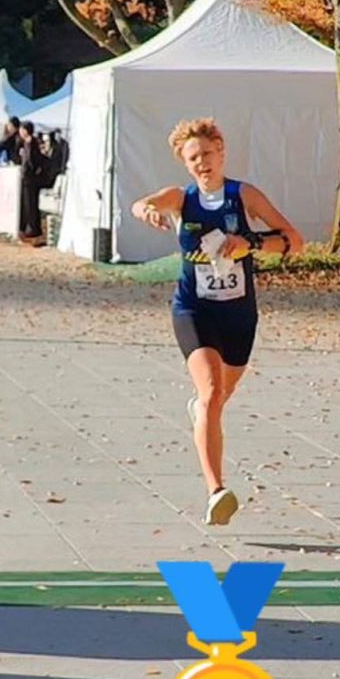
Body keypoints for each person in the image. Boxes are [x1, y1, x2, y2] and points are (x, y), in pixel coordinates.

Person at [131, 117, 303, 527]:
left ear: (221, 152)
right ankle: (216, 491)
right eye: (193, 158)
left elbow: (293, 241)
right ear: (185, 163)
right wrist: (147, 210)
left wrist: (251, 243)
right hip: (194, 308)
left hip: (239, 313)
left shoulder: (243, 195)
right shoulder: (181, 198)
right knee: (210, 391)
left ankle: (201, 413)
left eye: (207, 154)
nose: (202, 163)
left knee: (219, 396)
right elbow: (144, 202)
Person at [17, 120, 44, 244]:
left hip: (30, 179)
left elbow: (32, 161)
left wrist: (27, 170)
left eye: (21, 129)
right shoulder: (27, 143)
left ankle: (33, 230)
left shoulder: (32, 143)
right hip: (28, 178)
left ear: (25, 130)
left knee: (30, 204)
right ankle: (29, 228)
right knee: (27, 204)